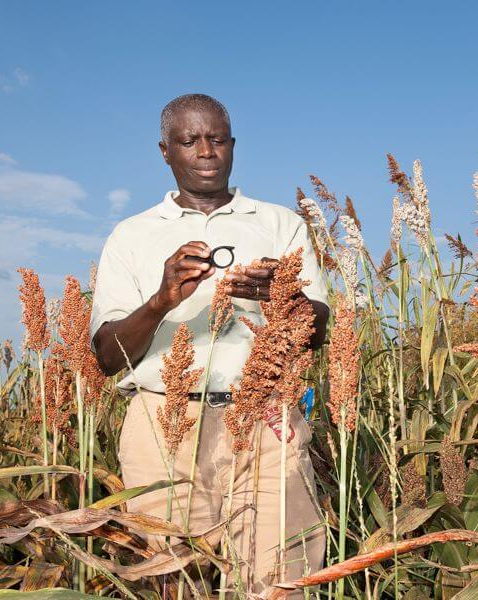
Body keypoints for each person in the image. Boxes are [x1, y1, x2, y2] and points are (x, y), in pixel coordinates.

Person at [89, 93, 329, 595]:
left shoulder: (279, 223)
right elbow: (108, 357)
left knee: (279, 581)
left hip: (265, 418)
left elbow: (320, 332)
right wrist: (160, 300)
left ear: (233, 146)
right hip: (163, 428)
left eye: (217, 139)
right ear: (165, 151)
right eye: (189, 140)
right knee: (175, 581)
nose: (205, 151)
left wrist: (279, 296)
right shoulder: (131, 236)